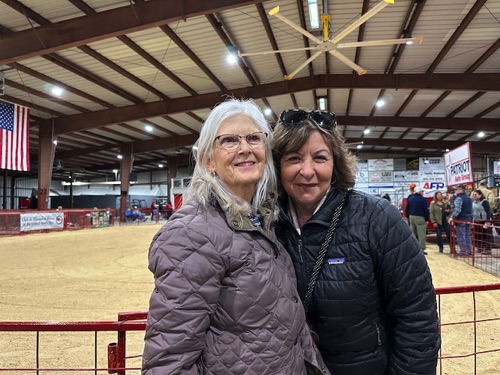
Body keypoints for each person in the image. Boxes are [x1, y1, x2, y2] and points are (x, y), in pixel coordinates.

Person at [142, 98, 328, 375]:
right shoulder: (191, 233)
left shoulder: (262, 221)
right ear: (208, 161)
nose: (245, 149)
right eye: (229, 140)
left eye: (254, 138)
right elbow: (170, 360)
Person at [272, 108, 440, 375]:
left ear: (335, 164)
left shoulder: (377, 219)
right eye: (294, 158)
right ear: (278, 166)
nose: (307, 171)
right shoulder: (267, 226)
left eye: (320, 158)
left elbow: (417, 315)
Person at [405, 185, 430, 255]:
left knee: (413, 234)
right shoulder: (423, 199)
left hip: (411, 217)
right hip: (420, 218)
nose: (423, 192)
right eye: (422, 191)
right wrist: (427, 219)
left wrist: (408, 217)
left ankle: (413, 248)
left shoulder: (410, 199)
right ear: (420, 192)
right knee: (421, 234)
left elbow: (407, 209)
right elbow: (426, 210)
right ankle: (421, 249)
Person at [449, 184, 473, 256]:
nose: (455, 191)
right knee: (467, 235)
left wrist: (452, 217)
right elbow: (472, 210)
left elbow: (457, 210)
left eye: (456, 189)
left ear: (460, 190)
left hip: (461, 219)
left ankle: (463, 251)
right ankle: (469, 251)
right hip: (468, 219)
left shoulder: (459, 198)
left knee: (461, 235)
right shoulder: (469, 198)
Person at [472, 189, 492, 255]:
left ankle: (488, 249)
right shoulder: (473, 202)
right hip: (476, 221)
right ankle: (479, 247)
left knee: (486, 235)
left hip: (484, 221)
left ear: (480, 195)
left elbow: (488, 212)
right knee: (478, 235)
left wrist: (488, 221)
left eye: (475, 194)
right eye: (473, 194)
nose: (474, 196)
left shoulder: (484, 202)